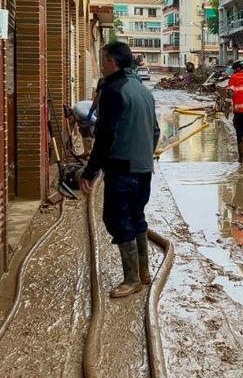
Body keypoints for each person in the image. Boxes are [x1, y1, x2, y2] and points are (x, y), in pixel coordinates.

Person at [80, 41, 160, 299]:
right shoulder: (142, 90)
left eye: (103, 60)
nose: (101, 65)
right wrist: (145, 154)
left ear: (112, 62)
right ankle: (144, 273)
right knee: (137, 217)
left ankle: (132, 279)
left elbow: (105, 135)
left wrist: (89, 172)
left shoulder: (114, 90)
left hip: (122, 168)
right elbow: (156, 131)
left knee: (117, 219)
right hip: (143, 168)